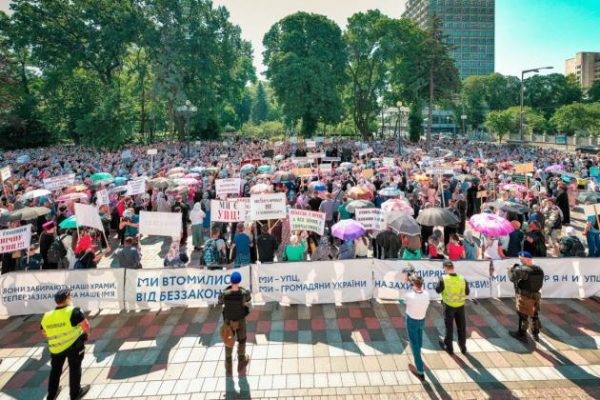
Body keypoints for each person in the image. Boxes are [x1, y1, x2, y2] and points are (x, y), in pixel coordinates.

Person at [41, 289, 90, 400]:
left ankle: (52, 395)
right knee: (74, 368)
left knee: (55, 370)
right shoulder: (74, 311)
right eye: (70, 296)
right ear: (68, 297)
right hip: (74, 346)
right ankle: (75, 394)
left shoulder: (46, 315)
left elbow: (44, 332)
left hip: (56, 348)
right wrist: (86, 335)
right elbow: (85, 325)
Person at [218, 271, 251, 376]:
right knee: (242, 340)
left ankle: (228, 364)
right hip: (240, 319)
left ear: (231, 281)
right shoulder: (244, 293)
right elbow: (248, 299)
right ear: (239, 280)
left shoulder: (224, 293)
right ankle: (241, 361)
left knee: (228, 340)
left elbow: (220, 302)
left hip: (228, 320)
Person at [508, 251, 544, 342]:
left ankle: (522, 334)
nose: (520, 261)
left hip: (524, 295)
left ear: (525, 259)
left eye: (521, 260)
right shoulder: (539, 269)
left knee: (523, 315)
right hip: (536, 295)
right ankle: (535, 334)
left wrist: (511, 270)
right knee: (534, 315)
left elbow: (512, 278)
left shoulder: (522, 269)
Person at [436, 260, 469, 355]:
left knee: (449, 327)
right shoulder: (463, 279)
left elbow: (438, 290)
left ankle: (449, 348)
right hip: (460, 307)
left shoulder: (443, 279)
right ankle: (463, 347)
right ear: (453, 268)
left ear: (446, 268)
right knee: (461, 327)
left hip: (449, 306)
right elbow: (467, 292)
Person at [404, 275, 430, 381]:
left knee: (414, 345)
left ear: (414, 285)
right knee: (419, 340)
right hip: (422, 320)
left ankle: (420, 371)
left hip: (412, 321)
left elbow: (404, 300)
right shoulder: (426, 294)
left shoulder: (409, 296)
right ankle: (418, 353)